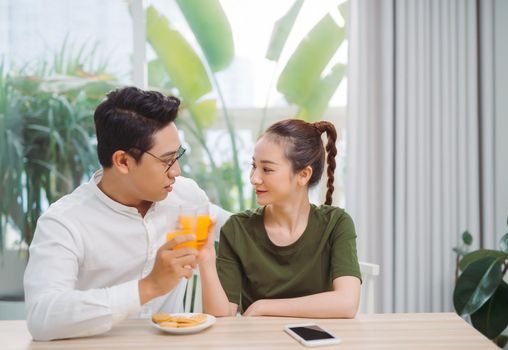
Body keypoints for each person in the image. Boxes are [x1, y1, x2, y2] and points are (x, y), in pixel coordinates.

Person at [23, 87, 230, 341]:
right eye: (166, 160)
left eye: (177, 156)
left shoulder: (185, 196)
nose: (176, 171)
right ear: (123, 161)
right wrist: (149, 287)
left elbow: (237, 227)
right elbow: (42, 317)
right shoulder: (64, 222)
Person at [198, 119, 361, 318]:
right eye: (253, 166)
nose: (254, 178)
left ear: (303, 175)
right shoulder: (238, 229)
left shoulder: (336, 223)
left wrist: (263, 307)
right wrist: (206, 258)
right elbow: (223, 315)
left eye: (267, 169)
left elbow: (346, 303)